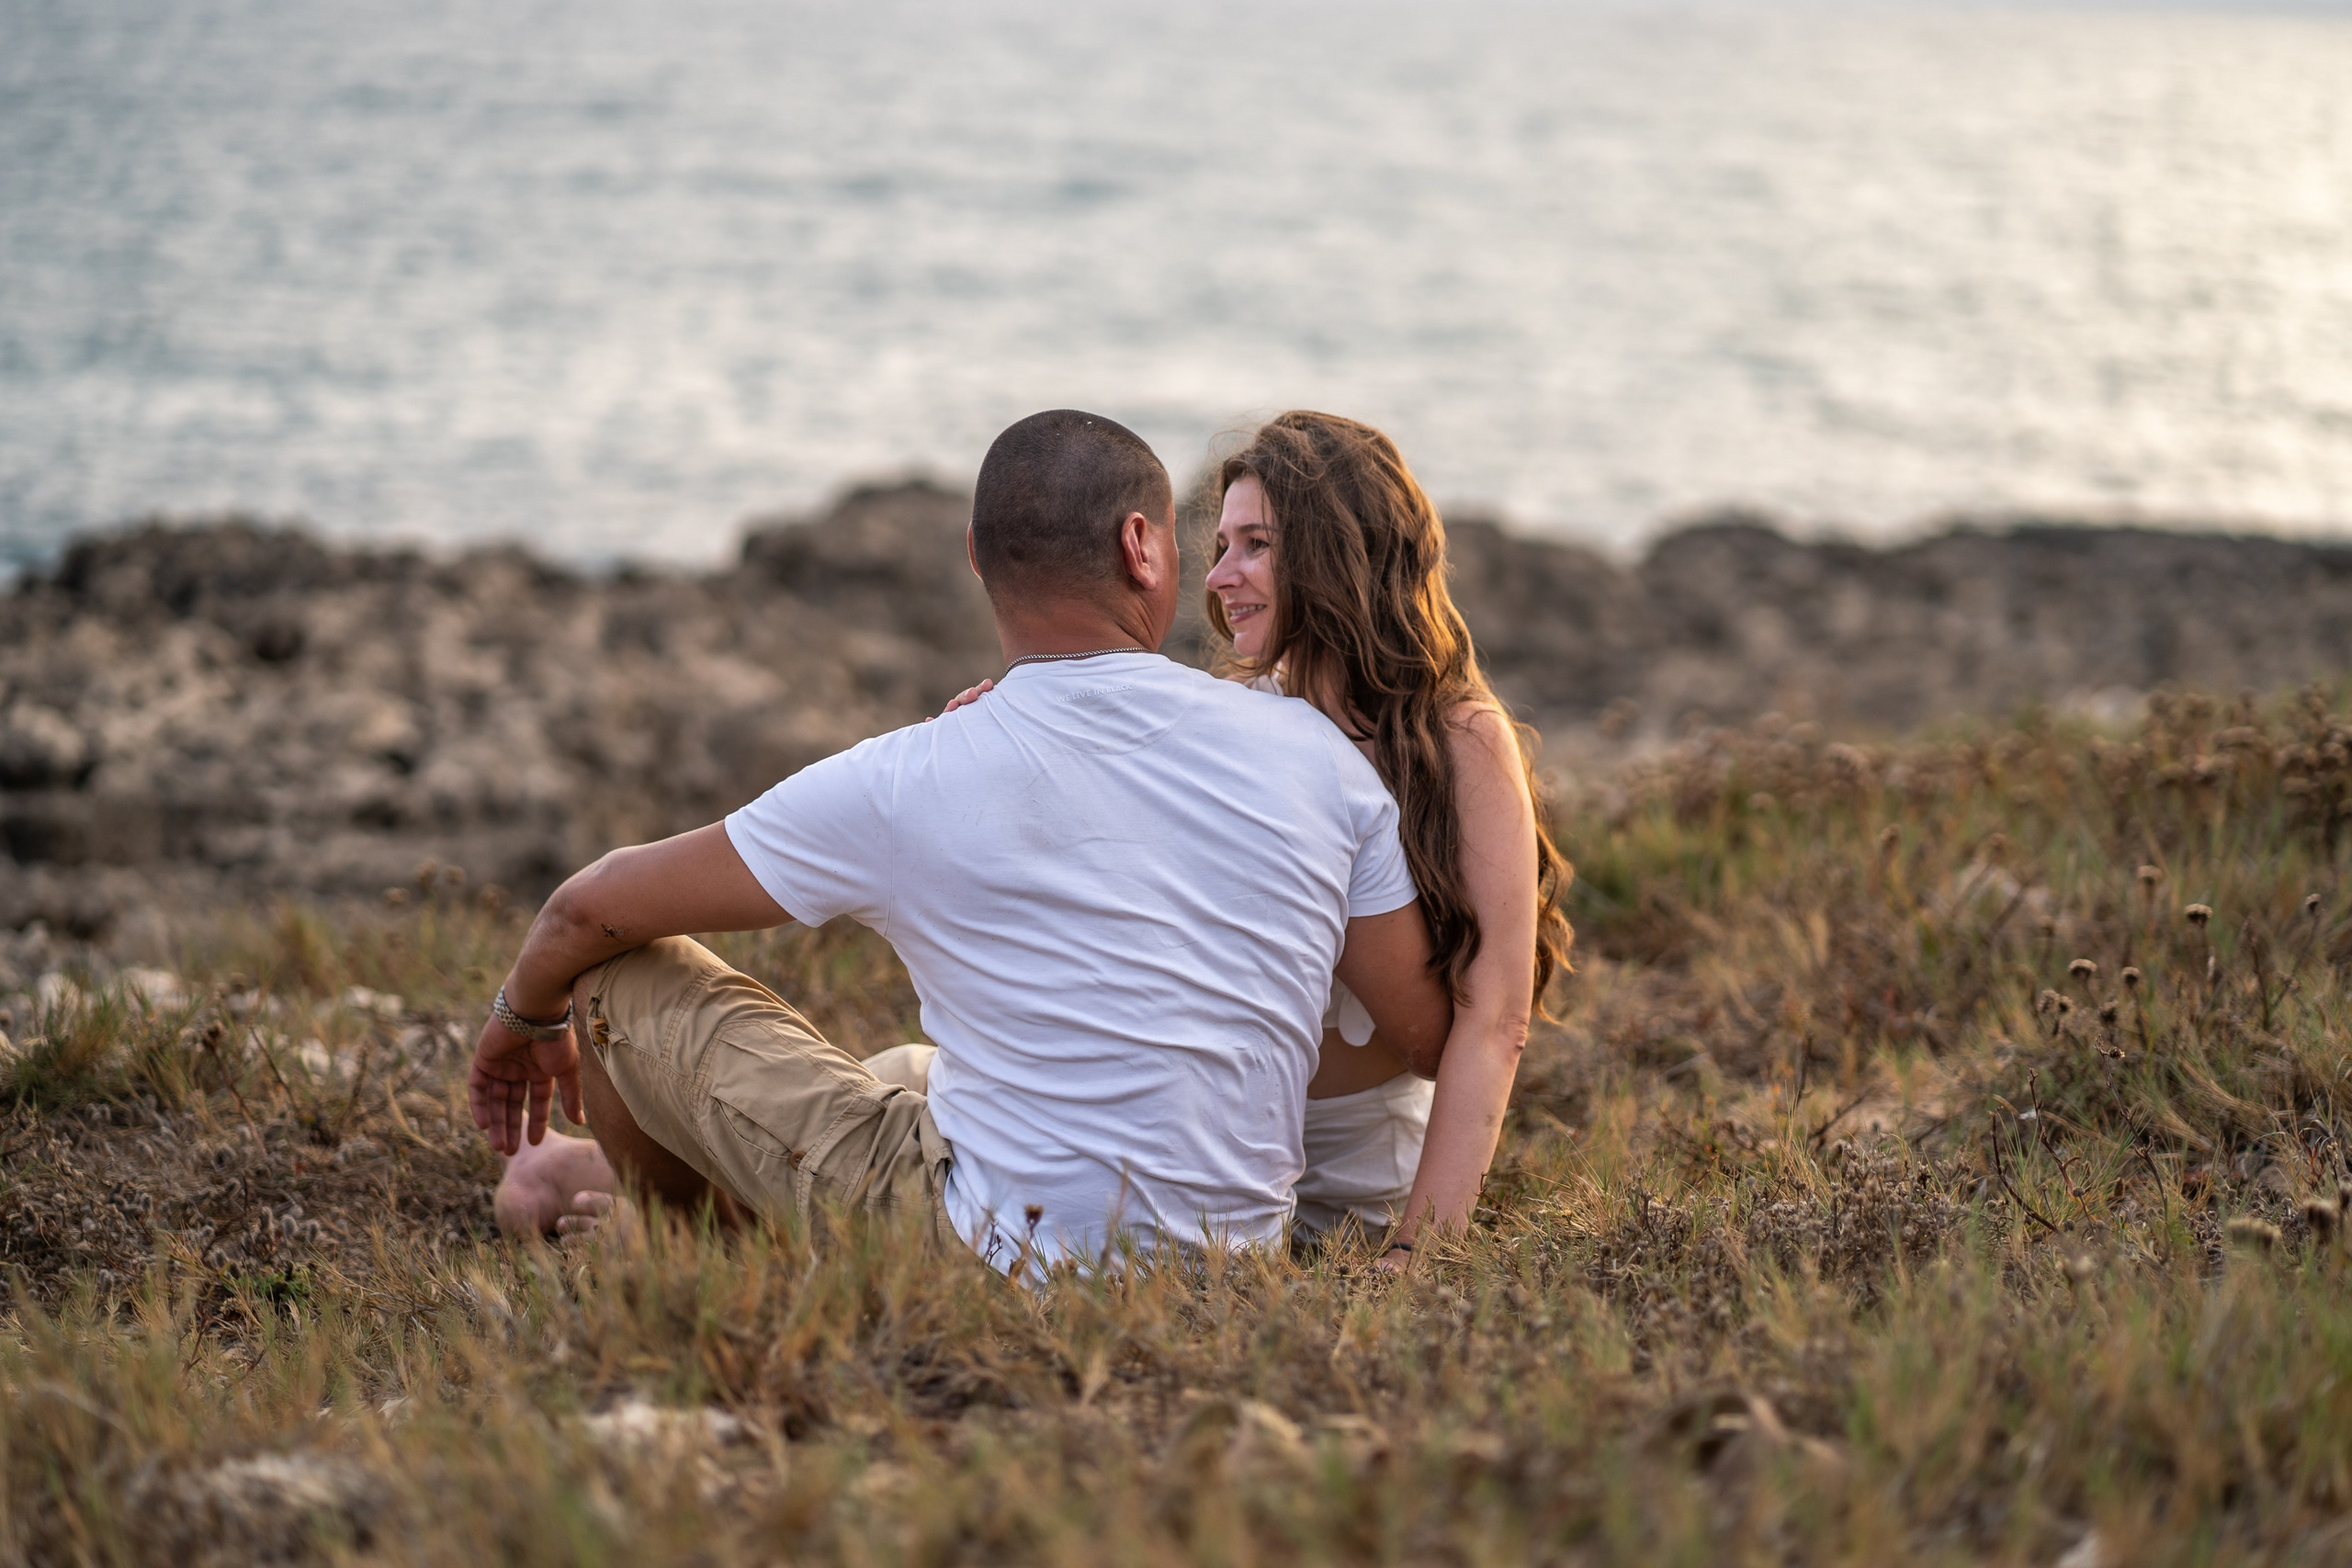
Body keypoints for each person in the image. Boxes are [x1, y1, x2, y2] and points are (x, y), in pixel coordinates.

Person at [477, 409, 1453, 1272]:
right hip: (1237, 1261)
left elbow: (589, 908)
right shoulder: (1313, 754)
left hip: (1000, 1255)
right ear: (1143, 546)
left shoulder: (914, 775)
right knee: (919, 1067)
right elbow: (1422, 1030)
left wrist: (521, 1023)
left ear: (979, 562)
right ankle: (622, 1187)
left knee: (612, 978)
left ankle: (703, 1253)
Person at [905, 411, 1571, 1254]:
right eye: (1219, 547)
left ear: (1339, 552)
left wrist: (1416, 1255)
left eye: (1254, 544)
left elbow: (1497, 1017)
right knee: (895, 1075)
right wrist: (992, 738)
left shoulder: (1463, 742)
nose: (1219, 578)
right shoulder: (1237, 719)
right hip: (1184, 1154)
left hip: (1354, 1187)